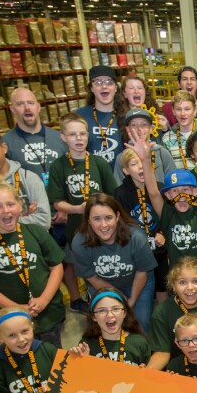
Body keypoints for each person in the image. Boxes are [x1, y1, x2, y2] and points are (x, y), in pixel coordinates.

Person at [0, 177, 65, 346]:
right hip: (11, 321)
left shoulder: (36, 232)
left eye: (10, 204)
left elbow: (57, 267)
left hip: (47, 314)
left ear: (19, 205)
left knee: (52, 355)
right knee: (21, 356)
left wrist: (44, 299)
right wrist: (14, 308)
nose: (6, 210)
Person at [47, 112, 118, 312]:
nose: (78, 139)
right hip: (76, 229)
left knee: (106, 266)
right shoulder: (58, 166)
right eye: (72, 134)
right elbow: (57, 202)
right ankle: (97, 307)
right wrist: (78, 209)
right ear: (63, 137)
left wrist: (101, 211)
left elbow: (113, 195)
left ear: (88, 135)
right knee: (87, 270)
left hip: (103, 228)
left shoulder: (98, 162)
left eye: (82, 134)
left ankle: (112, 302)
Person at [71, 193, 157, 330]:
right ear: (88, 220)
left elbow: (142, 271)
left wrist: (131, 301)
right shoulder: (79, 243)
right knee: (106, 324)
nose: (103, 225)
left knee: (141, 321)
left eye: (108, 218)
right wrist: (119, 297)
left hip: (137, 281)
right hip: (102, 283)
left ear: (117, 216)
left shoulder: (136, 237)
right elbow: (92, 278)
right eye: (96, 219)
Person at [144, 166, 197, 299]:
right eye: (175, 191)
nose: (181, 195)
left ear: (194, 192)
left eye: (185, 190)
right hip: (182, 285)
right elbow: (153, 193)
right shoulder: (168, 215)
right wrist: (145, 161)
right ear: (167, 195)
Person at [146, 256, 197, 370]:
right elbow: (162, 353)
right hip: (178, 368)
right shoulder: (162, 312)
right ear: (173, 286)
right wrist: (145, 373)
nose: (190, 287)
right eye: (182, 282)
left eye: (196, 281)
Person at [114, 147, 168, 305]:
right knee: (143, 290)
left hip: (159, 248)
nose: (140, 167)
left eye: (143, 162)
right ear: (125, 170)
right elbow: (121, 224)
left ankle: (162, 314)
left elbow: (167, 217)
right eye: (134, 164)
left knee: (162, 284)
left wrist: (162, 233)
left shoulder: (160, 188)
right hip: (136, 251)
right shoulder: (120, 194)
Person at [69, 289, 152, 366]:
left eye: (115, 309)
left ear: (124, 313)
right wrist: (80, 362)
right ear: (93, 316)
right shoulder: (86, 345)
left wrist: (145, 372)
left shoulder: (139, 343)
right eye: (102, 310)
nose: (110, 315)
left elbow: (150, 372)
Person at [4, 86, 68, 185]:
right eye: (20, 104)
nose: (27, 108)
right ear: (12, 109)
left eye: (30, 103)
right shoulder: (5, 144)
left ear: (38, 107)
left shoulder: (61, 137)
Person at [76, 65, 125, 167]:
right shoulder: (79, 116)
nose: (104, 86)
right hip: (90, 175)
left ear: (116, 88)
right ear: (91, 88)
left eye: (109, 82)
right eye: (98, 82)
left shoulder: (126, 116)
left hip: (120, 175)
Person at [118, 107, 175, 186]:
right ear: (128, 129)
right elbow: (118, 186)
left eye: (144, 124)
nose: (139, 128)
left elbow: (173, 184)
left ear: (151, 128)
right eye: (134, 125)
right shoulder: (122, 157)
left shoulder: (162, 153)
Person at [160, 90, 197, 171]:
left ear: (195, 110)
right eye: (178, 109)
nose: (183, 113)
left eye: (187, 109)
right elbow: (165, 168)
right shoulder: (166, 139)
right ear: (173, 111)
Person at [121, 74, 167, 140]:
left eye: (139, 88)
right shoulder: (119, 119)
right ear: (124, 94)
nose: (136, 91)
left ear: (145, 92)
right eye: (131, 88)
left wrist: (165, 130)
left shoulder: (156, 117)